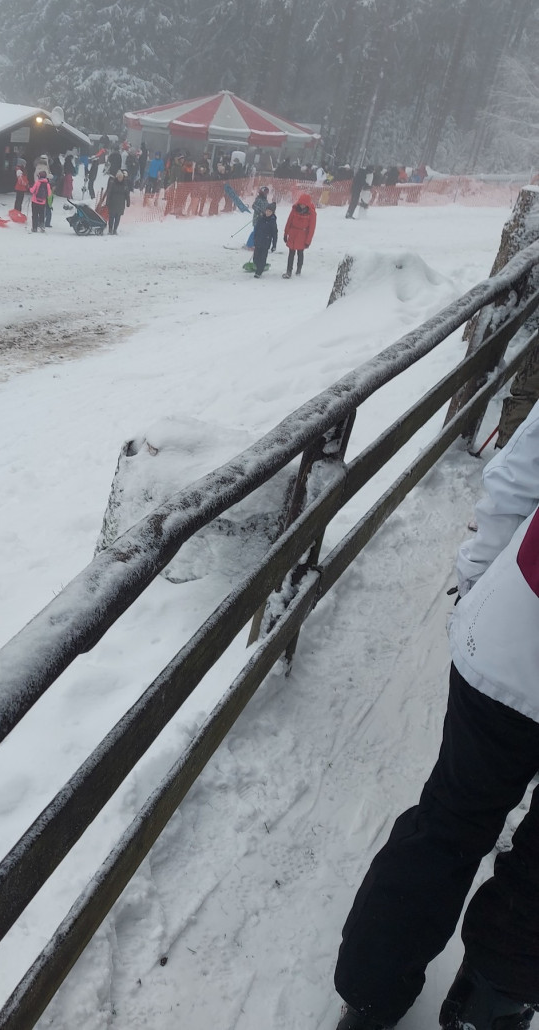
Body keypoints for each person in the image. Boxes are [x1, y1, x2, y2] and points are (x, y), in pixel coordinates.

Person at [333, 399, 539, 1030]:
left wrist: (478, 582)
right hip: (511, 636)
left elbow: (518, 475)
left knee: (450, 819)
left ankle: (370, 996)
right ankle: (488, 1007)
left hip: (513, 636)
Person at [281, 193, 316, 279]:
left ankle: (298, 269)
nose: (302, 205)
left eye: (304, 204)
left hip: (302, 236)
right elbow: (289, 221)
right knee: (291, 253)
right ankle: (289, 271)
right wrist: (286, 233)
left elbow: (312, 228)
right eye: (301, 203)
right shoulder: (294, 209)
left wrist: (308, 241)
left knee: (300, 253)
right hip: (293, 234)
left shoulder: (311, 213)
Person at [250, 202, 277, 278]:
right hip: (258, 241)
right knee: (255, 258)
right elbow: (257, 229)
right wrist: (255, 238)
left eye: (270, 211)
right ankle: (259, 266)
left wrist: (274, 245)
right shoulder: (261, 219)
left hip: (266, 243)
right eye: (267, 211)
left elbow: (274, 234)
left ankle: (259, 271)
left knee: (262, 258)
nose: (268, 213)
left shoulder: (272, 221)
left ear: (272, 212)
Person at [104, 170, 131, 235]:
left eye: (121, 177)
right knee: (111, 217)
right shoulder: (113, 183)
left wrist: (128, 202)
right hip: (113, 203)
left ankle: (115, 229)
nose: (120, 178)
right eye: (119, 177)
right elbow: (109, 193)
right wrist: (107, 202)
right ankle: (110, 229)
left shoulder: (125, 185)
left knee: (117, 218)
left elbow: (127, 194)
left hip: (120, 204)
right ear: (117, 177)